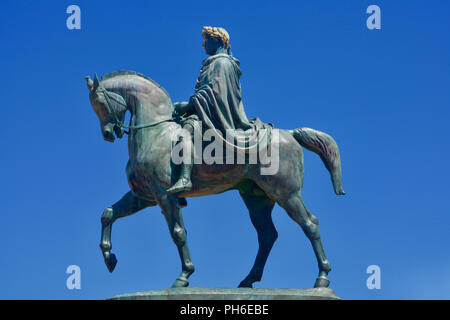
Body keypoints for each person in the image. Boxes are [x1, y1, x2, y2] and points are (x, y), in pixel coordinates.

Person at [167, 26, 255, 194]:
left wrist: (189, 105)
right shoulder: (217, 62)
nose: (203, 45)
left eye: (206, 40)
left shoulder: (222, 63)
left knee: (185, 132)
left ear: (218, 40)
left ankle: (185, 178)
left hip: (216, 116)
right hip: (207, 110)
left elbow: (214, 93)